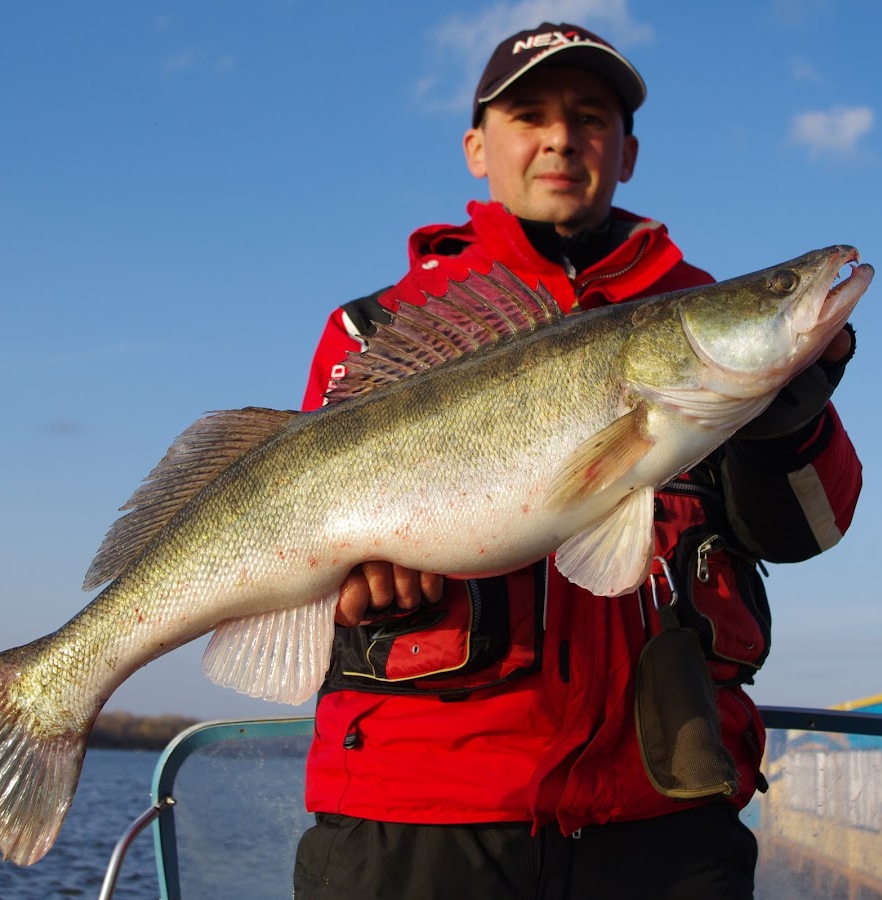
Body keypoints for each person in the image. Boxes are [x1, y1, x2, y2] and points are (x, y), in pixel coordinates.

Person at [293, 23, 861, 900]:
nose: (562, 137)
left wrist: (790, 419)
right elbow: (287, 525)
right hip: (419, 812)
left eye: (591, 117)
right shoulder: (380, 330)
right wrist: (345, 585)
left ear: (627, 152)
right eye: (530, 114)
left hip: (664, 820)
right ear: (478, 147)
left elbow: (810, 528)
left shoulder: (692, 316)